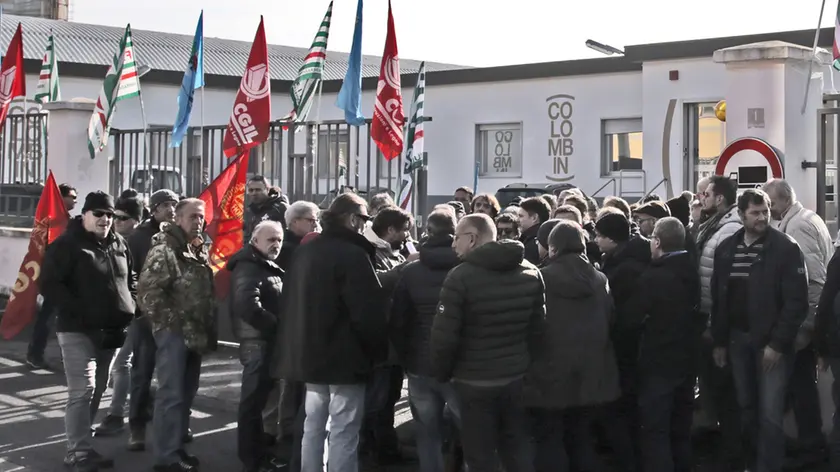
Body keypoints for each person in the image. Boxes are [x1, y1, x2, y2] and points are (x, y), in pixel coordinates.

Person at [274, 193, 387, 472]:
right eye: (363, 219)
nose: (365, 226)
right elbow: (367, 312)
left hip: (310, 356)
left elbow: (289, 303)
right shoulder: (353, 254)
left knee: (313, 426)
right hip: (345, 359)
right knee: (344, 429)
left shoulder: (306, 251)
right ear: (351, 219)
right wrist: (377, 353)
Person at [431, 213, 545, 472]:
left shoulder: (460, 277)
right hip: (516, 377)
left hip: (474, 382)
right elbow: (538, 329)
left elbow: (444, 337)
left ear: (472, 239)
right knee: (516, 448)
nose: (452, 245)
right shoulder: (530, 271)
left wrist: (442, 373)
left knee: (480, 454)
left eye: (456, 238)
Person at [711, 189, 809, 472]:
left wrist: (777, 345)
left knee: (770, 414)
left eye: (765, 211)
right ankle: (752, 464)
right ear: (741, 215)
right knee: (746, 408)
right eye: (755, 213)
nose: (762, 218)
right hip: (737, 340)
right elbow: (720, 298)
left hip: (770, 344)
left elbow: (796, 302)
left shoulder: (786, 249)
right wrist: (719, 341)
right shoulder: (727, 249)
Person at [40, 191, 136, 472]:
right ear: (84, 215)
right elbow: (50, 285)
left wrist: (132, 301)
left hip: (113, 329)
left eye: (110, 215)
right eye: (98, 214)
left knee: (99, 387)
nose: (105, 219)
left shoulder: (119, 243)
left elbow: (130, 276)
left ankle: (82, 438)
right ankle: (78, 452)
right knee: (84, 389)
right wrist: (81, 311)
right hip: (76, 330)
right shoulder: (66, 245)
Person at [524, 220, 620, 472]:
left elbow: (532, 327)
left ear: (553, 249)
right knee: (581, 439)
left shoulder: (540, 279)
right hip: (592, 375)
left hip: (549, 374)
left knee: (549, 440)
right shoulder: (600, 279)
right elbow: (610, 320)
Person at [138, 198, 216, 472]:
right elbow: (148, 293)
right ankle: (166, 457)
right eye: (193, 216)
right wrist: (172, 325)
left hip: (195, 332)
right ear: (178, 219)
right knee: (170, 394)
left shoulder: (197, 247)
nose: (199, 221)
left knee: (186, 392)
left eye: (202, 217)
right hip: (174, 332)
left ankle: (177, 447)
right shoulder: (165, 248)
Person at [763, 179, 834, 463]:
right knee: (799, 384)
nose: (767, 211)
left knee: (800, 385)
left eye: (770, 205)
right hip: (804, 320)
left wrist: (806, 326)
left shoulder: (796, 227)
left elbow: (814, 281)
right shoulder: (806, 219)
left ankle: (810, 445)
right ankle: (808, 442)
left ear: (782, 201)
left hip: (802, 323)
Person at [626, 217, 702, 472]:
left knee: (655, 430)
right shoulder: (692, 271)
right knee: (680, 428)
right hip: (687, 359)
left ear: (656, 242)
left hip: (658, 361)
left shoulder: (652, 277)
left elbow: (633, 319)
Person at [390, 209, 462, 472]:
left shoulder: (411, 272)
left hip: (420, 363)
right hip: (460, 363)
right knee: (469, 429)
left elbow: (398, 321)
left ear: (427, 233)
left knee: (426, 431)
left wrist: (406, 357)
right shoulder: (467, 268)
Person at [229, 221, 286, 472]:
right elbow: (247, 306)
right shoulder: (249, 266)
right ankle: (252, 460)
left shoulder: (263, 264)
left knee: (260, 403)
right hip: (258, 343)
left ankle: (259, 455)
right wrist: (279, 326)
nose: (276, 244)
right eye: (271, 239)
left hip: (265, 341)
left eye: (279, 240)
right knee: (252, 405)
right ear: (255, 241)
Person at [126, 188, 179, 451]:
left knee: (174, 374)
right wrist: (142, 304)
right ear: (154, 209)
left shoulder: (180, 235)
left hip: (175, 315)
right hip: (146, 316)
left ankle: (176, 424)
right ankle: (137, 426)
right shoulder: (138, 238)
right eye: (166, 205)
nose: (171, 209)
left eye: (175, 204)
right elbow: (130, 275)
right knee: (143, 372)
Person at [95, 195, 146, 436]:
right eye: (114, 217)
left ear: (137, 220)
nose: (116, 222)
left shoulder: (139, 242)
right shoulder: (111, 241)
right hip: (114, 313)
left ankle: (116, 414)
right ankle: (142, 401)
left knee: (120, 363)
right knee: (123, 363)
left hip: (135, 312)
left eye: (123, 218)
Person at [244, 176, 289, 240]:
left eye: (258, 190)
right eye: (251, 190)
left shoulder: (281, 208)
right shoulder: (248, 211)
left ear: (267, 190)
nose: (254, 193)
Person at [518, 197, 552, 265]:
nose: (517, 220)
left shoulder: (534, 243)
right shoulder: (529, 238)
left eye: (521, 216)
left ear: (534, 218)